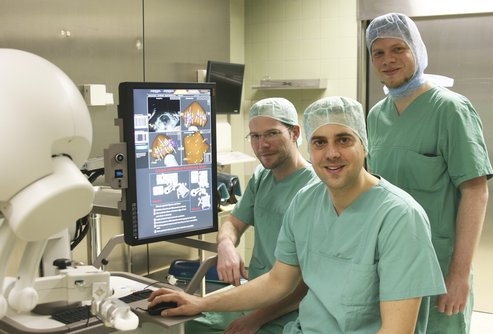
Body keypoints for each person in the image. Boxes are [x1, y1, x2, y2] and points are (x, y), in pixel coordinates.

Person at [147, 96, 446, 334]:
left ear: (364, 145)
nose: (331, 153)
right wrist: (199, 302)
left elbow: (397, 329)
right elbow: (278, 281)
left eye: (344, 139)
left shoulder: (399, 218)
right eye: (320, 142)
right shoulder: (305, 202)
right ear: (310, 147)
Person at [365, 13, 493, 334]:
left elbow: (476, 191)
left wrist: (459, 274)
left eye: (398, 49)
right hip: (389, 264)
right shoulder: (375, 116)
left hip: (438, 265)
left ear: (417, 51)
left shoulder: (450, 109)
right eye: (377, 53)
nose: (387, 60)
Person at [185, 97, 318, 334]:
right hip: (253, 296)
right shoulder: (261, 178)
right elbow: (233, 225)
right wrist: (225, 245)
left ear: (295, 132)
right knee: (183, 324)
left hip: (289, 311)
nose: (262, 144)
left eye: (272, 134)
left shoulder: (315, 189)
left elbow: (308, 283)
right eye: (255, 136)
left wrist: (256, 319)